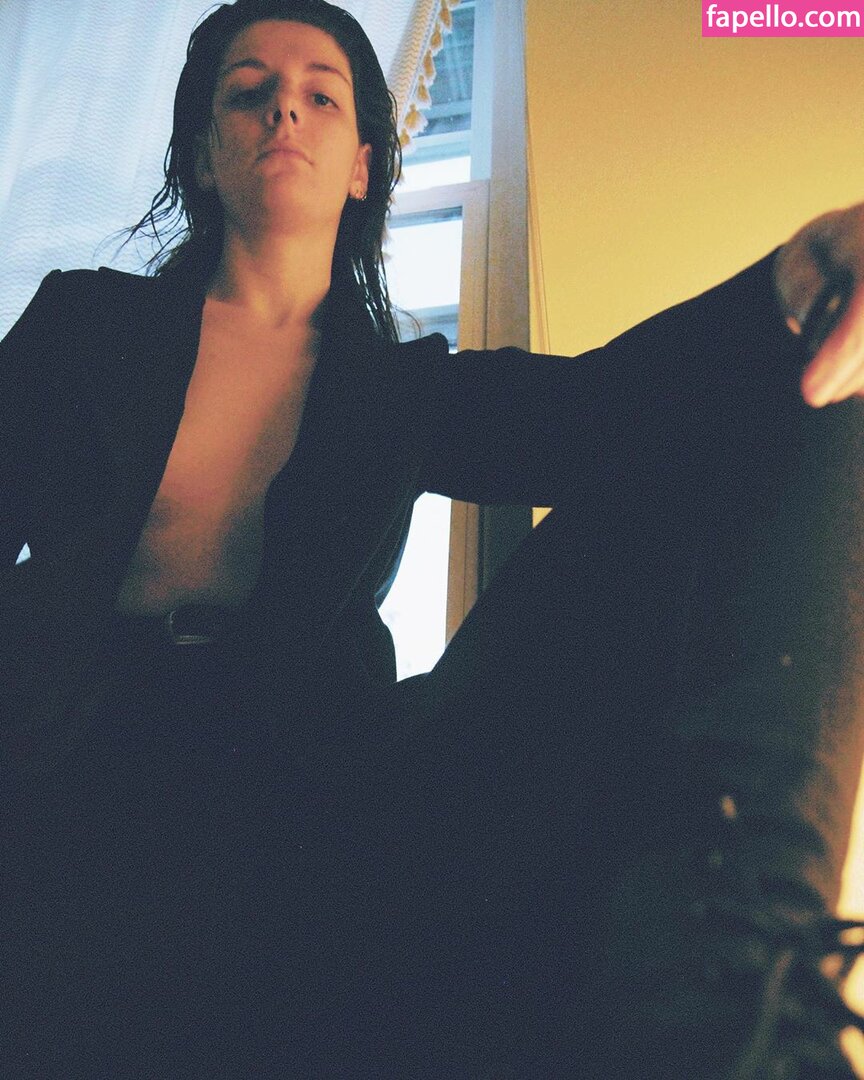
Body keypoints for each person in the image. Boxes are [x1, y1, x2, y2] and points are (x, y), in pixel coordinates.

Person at [4, 0, 864, 1075]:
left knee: (804, 385)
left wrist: (798, 278)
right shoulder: (84, 326)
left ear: (363, 167)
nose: (284, 109)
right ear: (204, 156)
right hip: (67, 765)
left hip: (314, 794)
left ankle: (746, 979)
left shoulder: (403, 391)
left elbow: (607, 412)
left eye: (321, 96)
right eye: (249, 90)